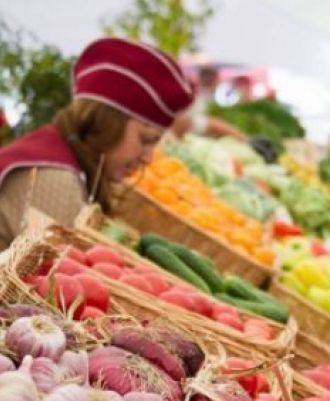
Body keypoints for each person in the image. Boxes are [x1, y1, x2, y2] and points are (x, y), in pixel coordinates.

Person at [0, 37, 194, 251]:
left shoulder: (59, 155)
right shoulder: (55, 180)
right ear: (108, 121)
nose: (148, 158)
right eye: (145, 140)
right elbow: (57, 277)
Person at [172, 64, 247, 141]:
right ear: (214, 80)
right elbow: (206, 124)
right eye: (218, 81)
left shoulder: (197, 94)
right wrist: (244, 138)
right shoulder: (194, 98)